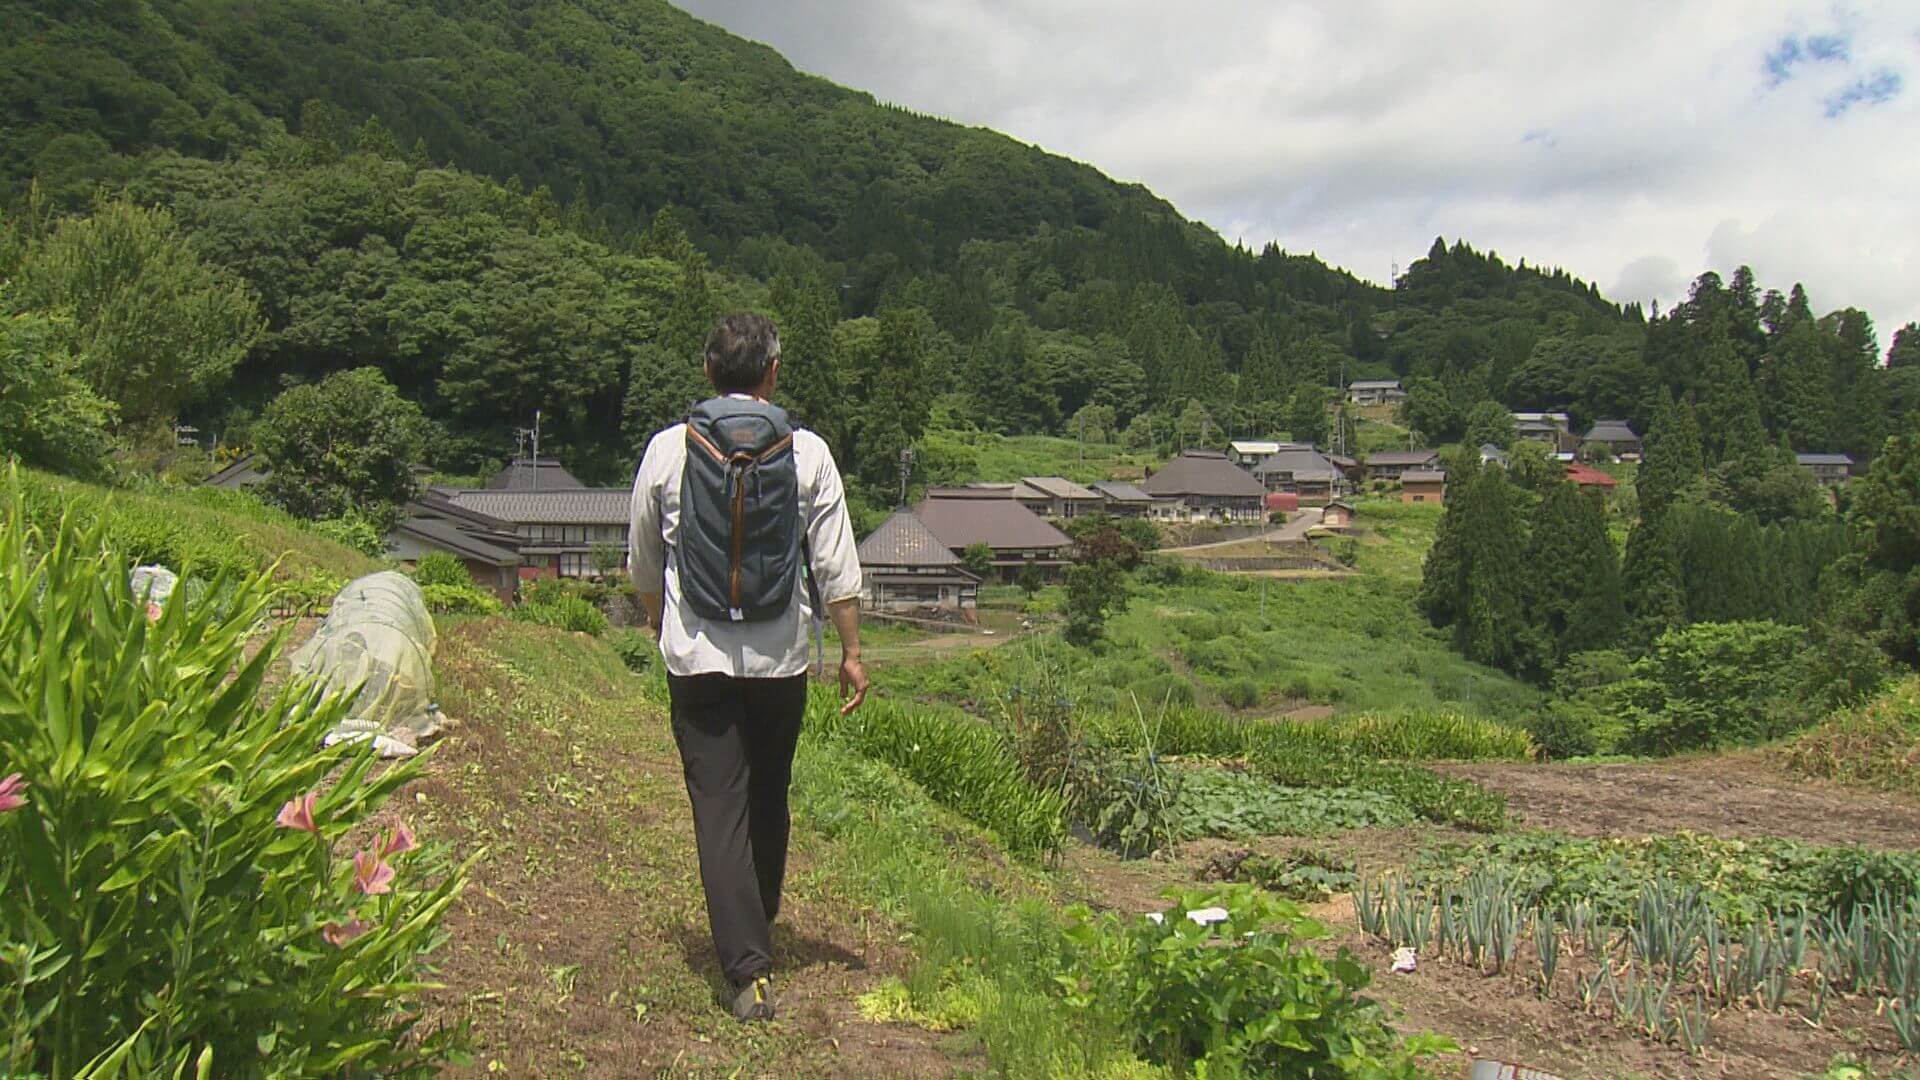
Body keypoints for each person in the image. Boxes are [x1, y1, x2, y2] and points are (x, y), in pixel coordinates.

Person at [628, 312, 867, 1023]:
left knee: (719, 803)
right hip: (780, 658)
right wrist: (852, 654)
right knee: (767, 794)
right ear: (773, 372)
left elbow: (643, 561)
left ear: (707, 372)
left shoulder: (669, 450)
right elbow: (836, 567)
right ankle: (753, 933)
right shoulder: (809, 454)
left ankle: (747, 966)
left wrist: (657, 620)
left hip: (695, 657)